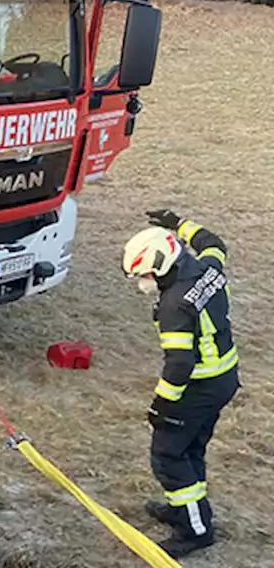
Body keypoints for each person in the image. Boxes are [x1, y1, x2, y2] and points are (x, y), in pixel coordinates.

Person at [121, 210, 240, 558]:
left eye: (143, 275)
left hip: (198, 388)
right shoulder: (207, 267)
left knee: (168, 454)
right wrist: (178, 223)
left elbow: (180, 363)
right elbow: (212, 243)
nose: (142, 282)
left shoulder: (174, 305)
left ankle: (195, 530)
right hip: (225, 378)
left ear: (160, 265)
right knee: (191, 448)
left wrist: (161, 405)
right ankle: (185, 507)